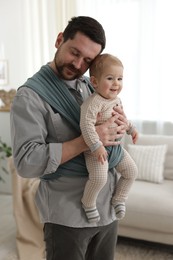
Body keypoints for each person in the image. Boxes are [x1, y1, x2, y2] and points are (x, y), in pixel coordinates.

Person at [10, 16, 128, 260]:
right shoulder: (30, 97)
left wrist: (122, 124)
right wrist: (90, 139)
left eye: (87, 60)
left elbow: (112, 129)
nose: (77, 64)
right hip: (68, 214)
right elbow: (26, 162)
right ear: (59, 40)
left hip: (106, 207)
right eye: (74, 52)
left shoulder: (91, 86)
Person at [80, 53, 138, 223]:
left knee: (132, 171)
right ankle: (88, 202)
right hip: (97, 151)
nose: (116, 83)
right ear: (95, 82)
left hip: (117, 149)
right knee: (99, 178)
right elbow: (86, 125)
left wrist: (131, 129)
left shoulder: (117, 100)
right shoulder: (93, 103)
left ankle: (119, 198)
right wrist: (96, 146)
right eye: (110, 78)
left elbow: (122, 119)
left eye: (120, 79)